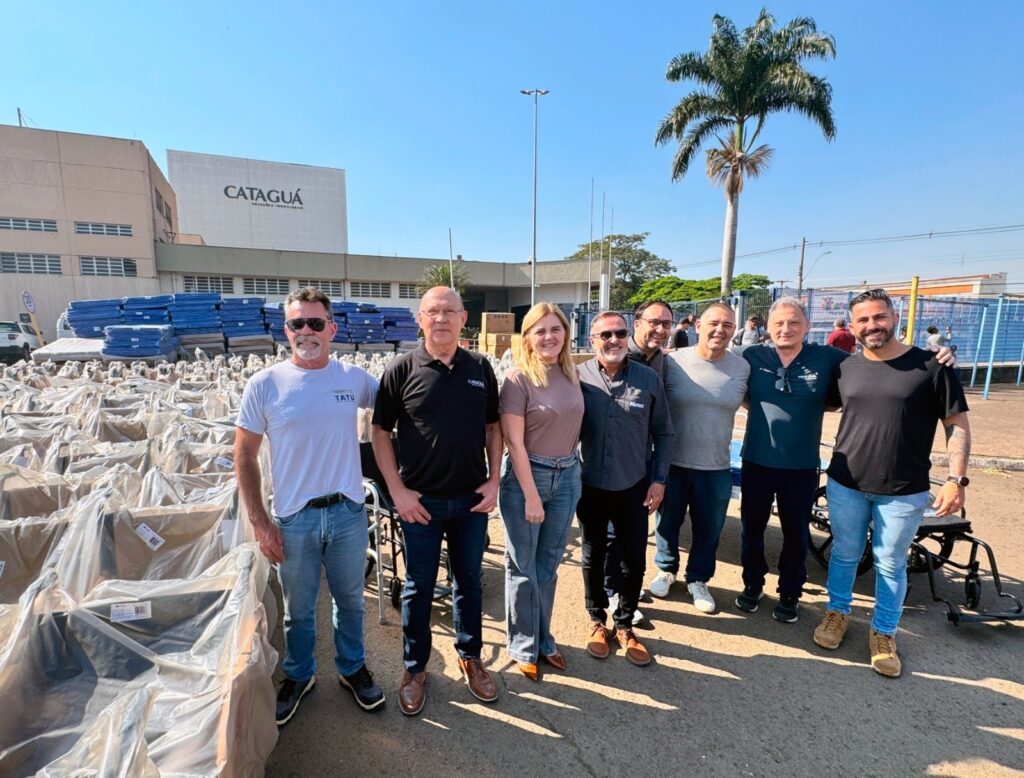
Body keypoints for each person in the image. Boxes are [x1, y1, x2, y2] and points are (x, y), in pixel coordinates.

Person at [235, 286, 384, 726]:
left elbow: (402, 401)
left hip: (347, 513)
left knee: (351, 601)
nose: (306, 331)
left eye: (315, 323)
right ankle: (299, 676)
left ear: (332, 329)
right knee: (299, 610)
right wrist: (260, 522)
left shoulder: (353, 378)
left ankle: (351, 668)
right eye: (297, 323)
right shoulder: (265, 385)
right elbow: (243, 456)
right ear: (286, 330)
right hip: (294, 519)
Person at [814, 289, 971, 678]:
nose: (872, 326)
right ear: (851, 327)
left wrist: (956, 480)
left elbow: (958, 425)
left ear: (894, 317)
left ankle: (883, 633)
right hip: (846, 482)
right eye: (863, 320)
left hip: (904, 489)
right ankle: (837, 613)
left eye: (879, 317)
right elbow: (818, 402)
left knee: (890, 562)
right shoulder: (845, 368)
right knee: (845, 554)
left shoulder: (932, 365)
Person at [371, 287, 503, 716]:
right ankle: (414, 669)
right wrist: (398, 492)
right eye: (433, 311)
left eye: (449, 311)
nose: (441, 318)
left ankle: (470, 657)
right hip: (420, 505)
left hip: (470, 503)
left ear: (464, 318)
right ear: (420, 319)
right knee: (418, 588)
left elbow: (493, 428)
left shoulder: (480, 368)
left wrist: (495, 480)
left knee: (469, 584)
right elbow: (380, 434)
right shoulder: (400, 370)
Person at [736, 298, 849, 622]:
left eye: (794, 323)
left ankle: (790, 592)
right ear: (768, 328)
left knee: (796, 532)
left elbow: (872, 365)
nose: (786, 329)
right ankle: (752, 585)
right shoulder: (752, 355)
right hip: (757, 460)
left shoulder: (828, 358)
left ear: (807, 326)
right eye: (779, 324)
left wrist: (937, 358)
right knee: (752, 528)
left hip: (801, 466)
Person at [577, 311, 672, 666]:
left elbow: (663, 432)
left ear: (628, 335)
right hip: (590, 485)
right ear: (593, 340)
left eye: (619, 333)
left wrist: (660, 479)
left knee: (633, 558)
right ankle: (597, 620)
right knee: (592, 554)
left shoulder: (648, 379)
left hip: (634, 484)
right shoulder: (578, 377)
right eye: (605, 335)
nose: (613, 340)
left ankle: (625, 624)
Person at [498, 303, 584, 681]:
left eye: (555, 329)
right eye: (539, 330)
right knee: (522, 566)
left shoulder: (573, 374)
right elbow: (513, 444)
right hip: (526, 478)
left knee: (548, 565)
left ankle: (543, 637)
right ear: (528, 338)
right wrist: (531, 495)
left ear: (565, 333)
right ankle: (522, 643)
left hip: (567, 475)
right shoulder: (518, 381)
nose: (548, 337)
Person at [649, 303, 749, 613]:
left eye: (728, 325)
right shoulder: (673, 362)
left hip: (716, 465)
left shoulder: (742, 368)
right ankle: (666, 569)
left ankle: (698, 579)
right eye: (714, 323)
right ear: (698, 326)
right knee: (667, 522)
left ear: (734, 331)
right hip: (673, 463)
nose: (720, 330)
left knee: (710, 528)